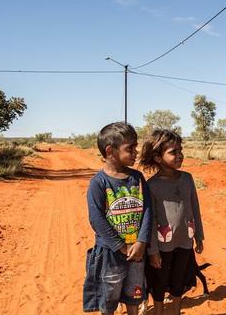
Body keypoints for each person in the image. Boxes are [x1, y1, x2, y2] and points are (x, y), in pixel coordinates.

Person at [83, 122, 155, 315]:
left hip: (137, 253)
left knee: (134, 294)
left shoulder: (138, 178)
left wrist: (141, 242)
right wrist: (121, 247)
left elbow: (148, 210)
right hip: (110, 254)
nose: (136, 152)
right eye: (130, 148)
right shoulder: (99, 183)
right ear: (110, 151)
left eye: (136, 147)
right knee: (108, 298)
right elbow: (96, 219)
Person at [139, 129, 205, 315]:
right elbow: (149, 220)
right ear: (158, 158)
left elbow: (195, 207)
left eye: (180, 150)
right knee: (159, 281)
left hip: (185, 240)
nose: (179, 155)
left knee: (179, 279)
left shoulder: (187, 178)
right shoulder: (152, 185)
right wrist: (152, 251)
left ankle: (176, 311)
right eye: (173, 152)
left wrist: (199, 235)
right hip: (162, 245)